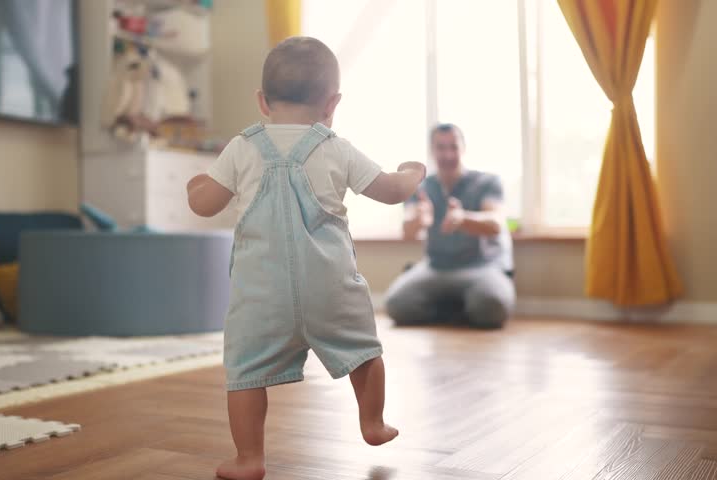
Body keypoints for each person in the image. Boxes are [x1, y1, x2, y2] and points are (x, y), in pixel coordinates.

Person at [186, 37, 426, 480]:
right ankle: (372, 422)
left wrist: (196, 182)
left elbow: (204, 204)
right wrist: (412, 173)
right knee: (364, 352)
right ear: (331, 103)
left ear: (262, 100)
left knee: (246, 372)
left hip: (261, 297)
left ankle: (250, 458)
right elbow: (391, 192)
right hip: (332, 290)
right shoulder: (336, 147)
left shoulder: (242, 147)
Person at [384, 124, 515, 329]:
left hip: (481, 267)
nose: (447, 154)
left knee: (492, 307)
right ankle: (460, 309)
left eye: (453, 147)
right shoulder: (421, 187)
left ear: (463, 148)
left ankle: (454, 307)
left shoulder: (487, 182)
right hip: (436, 268)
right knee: (396, 305)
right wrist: (418, 218)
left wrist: (463, 218)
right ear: (432, 150)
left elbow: (496, 224)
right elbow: (407, 231)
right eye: (441, 147)